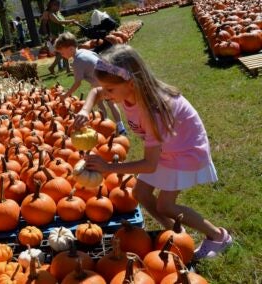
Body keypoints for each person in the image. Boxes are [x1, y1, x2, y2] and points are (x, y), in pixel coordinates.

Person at [73, 44, 233, 260]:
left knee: (165, 205)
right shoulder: (126, 90)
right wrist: (85, 109)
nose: (106, 94)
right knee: (140, 193)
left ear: (130, 82)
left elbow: (150, 164)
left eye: (110, 90)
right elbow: (96, 91)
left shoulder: (153, 110)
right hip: (167, 150)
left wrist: (109, 168)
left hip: (185, 152)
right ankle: (177, 233)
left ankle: (218, 236)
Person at [54, 32, 127, 134]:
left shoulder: (77, 62)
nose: (62, 56)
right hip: (106, 79)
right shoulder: (85, 51)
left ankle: (104, 123)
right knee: (111, 103)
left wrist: (66, 95)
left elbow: (77, 83)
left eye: (62, 53)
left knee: (101, 103)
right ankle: (120, 126)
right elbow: (98, 59)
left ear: (70, 49)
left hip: (99, 83)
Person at [42, 0, 77, 74]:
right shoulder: (51, 14)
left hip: (61, 34)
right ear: (52, 6)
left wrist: (69, 23)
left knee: (63, 52)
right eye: (57, 5)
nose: (58, 7)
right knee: (61, 53)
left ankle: (67, 69)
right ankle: (52, 67)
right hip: (56, 36)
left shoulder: (57, 13)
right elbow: (58, 22)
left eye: (59, 5)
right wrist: (71, 21)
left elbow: (62, 22)